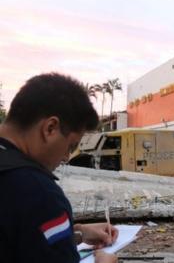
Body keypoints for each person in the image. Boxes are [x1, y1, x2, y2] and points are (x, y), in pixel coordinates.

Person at [0, 73, 118, 263]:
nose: (65, 157)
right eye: (71, 146)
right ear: (50, 128)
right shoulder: (40, 194)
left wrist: (76, 233)